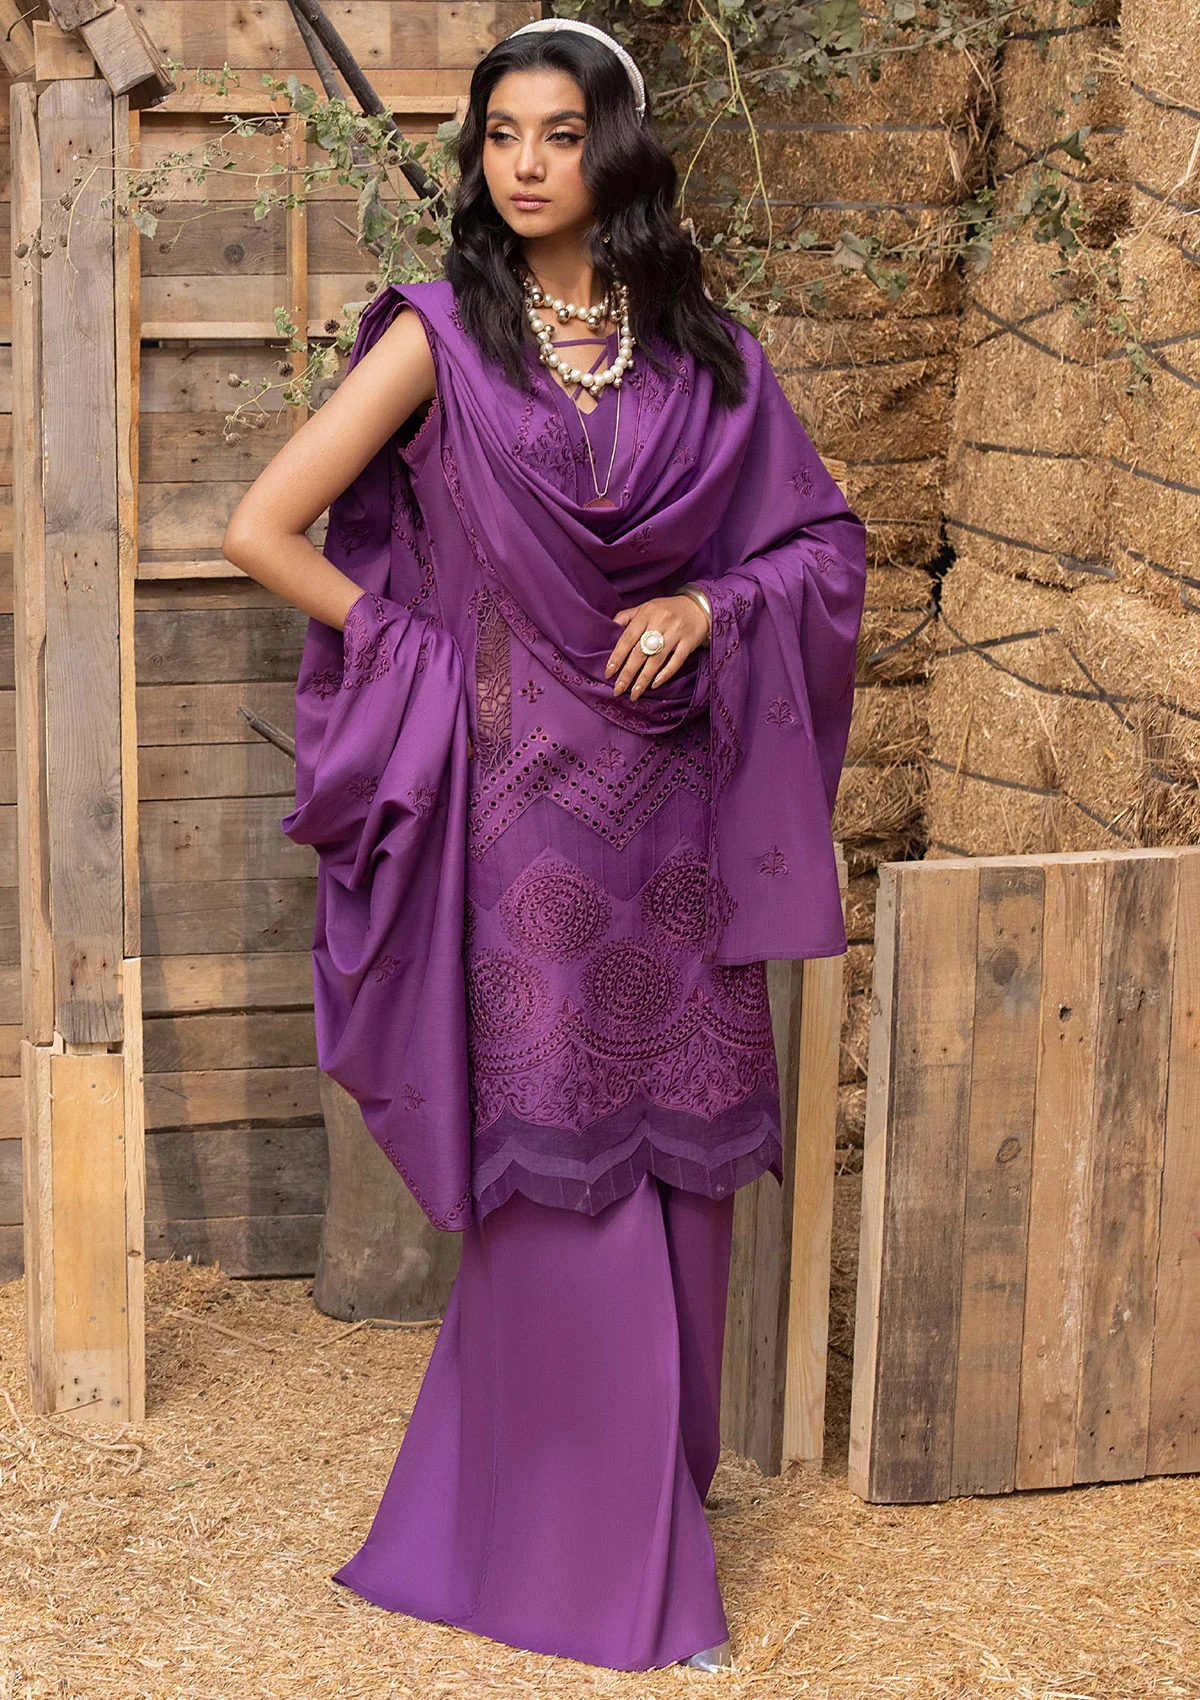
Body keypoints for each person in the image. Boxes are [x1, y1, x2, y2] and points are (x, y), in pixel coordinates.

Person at [221, 14, 867, 1675]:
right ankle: (602, 1578)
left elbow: (820, 546)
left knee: (688, 1176)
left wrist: (713, 605)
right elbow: (261, 527)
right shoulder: (439, 338)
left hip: (679, 819)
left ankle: (627, 1518)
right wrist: (428, 658)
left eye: (559, 135)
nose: (523, 163)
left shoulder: (707, 356)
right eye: (499, 134)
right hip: (519, 833)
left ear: (615, 152)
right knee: (561, 1178)